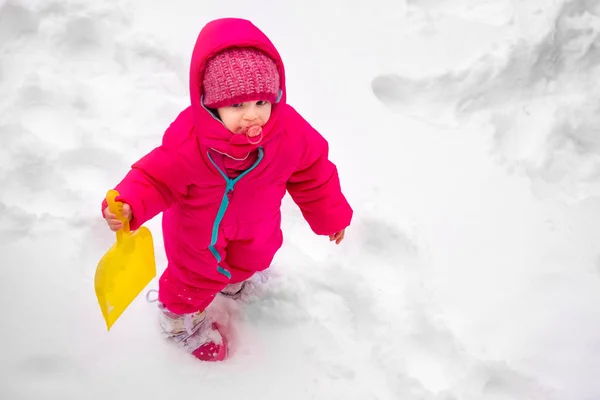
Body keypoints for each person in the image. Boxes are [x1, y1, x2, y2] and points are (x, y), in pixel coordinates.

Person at [102, 17, 352, 361]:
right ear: (211, 103)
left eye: (261, 103)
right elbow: (155, 177)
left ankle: (233, 281)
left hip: (257, 225)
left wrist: (330, 216)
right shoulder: (190, 141)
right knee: (192, 280)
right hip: (197, 235)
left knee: (254, 257)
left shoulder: (288, 132)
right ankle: (179, 322)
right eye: (237, 106)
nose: (252, 116)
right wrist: (130, 203)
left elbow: (313, 171)